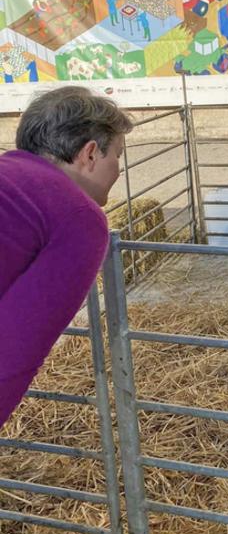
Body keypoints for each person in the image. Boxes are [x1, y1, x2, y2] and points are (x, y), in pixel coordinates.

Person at [0, 86, 133, 429]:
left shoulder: (11, 183)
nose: (118, 169)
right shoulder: (76, 215)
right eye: (117, 154)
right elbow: (13, 348)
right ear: (90, 154)